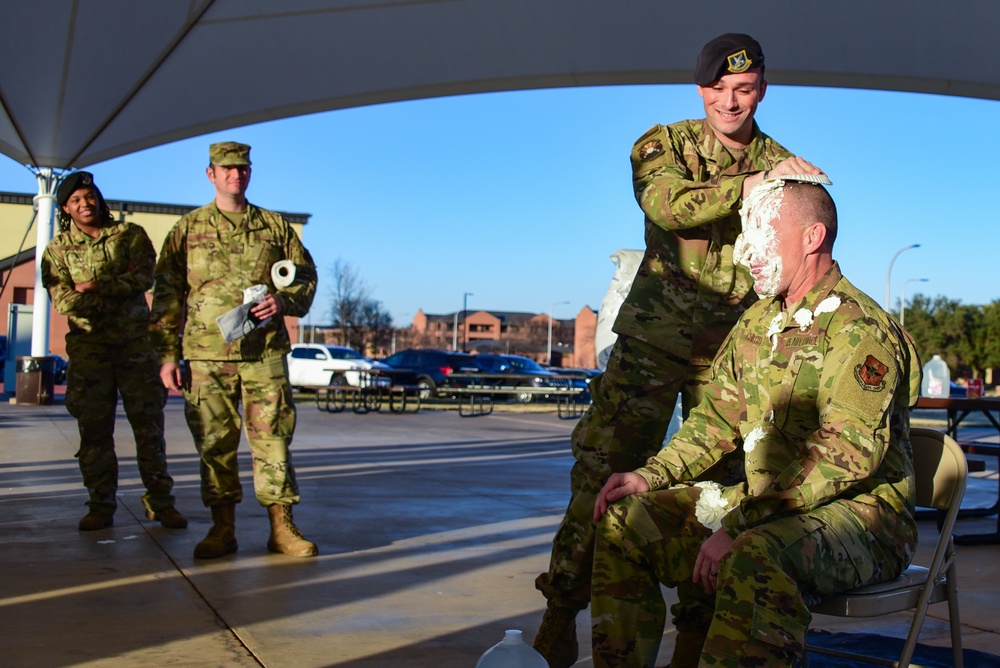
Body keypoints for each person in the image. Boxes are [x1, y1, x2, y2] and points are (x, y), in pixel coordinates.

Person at [533, 33, 826, 667]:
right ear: (700, 90)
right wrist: (751, 187)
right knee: (599, 483)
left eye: (744, 90)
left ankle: (694, 637)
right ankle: (559, 614)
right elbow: (665, 204)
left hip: (732, 357)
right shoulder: (663, 143)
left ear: (762, 91)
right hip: (652, 350)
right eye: (718, 89)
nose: (730, 102)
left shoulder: (783, 160)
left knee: (718, 493)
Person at [589, 179, 921, 667]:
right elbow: (715, 419)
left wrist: (742, 521)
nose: (747, 250)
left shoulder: (858, 328)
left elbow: (842, 457)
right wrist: (649, 476)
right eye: (746, 232)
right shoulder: (756, 323)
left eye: (764, 230)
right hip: (770, 507)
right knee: (625, 522)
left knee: (754, 553)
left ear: (812, 238)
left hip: (864, 519)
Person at [149, 141, 319, 559]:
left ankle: (282, 528)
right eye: (226, 169)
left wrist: (285, 301)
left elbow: (305, 276)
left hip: (264, 354)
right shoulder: (186, 230)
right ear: (211, 174)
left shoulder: (275, 227)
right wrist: (167, 354)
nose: (235, 175)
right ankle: (221, 528)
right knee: (214, 443)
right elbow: (168, 294)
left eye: (242, 168)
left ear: (250, 172)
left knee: (274, 439)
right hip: (207, 356)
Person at [41, 171, 187, 531]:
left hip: (136, 348)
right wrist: (113, 291)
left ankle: (160, 502)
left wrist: (95, 286)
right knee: (94, 432)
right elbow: (64, 301)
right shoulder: (57, 250)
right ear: (65, 209)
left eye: (89, 196)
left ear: (99, 198)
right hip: (90, 353)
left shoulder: (130, 235)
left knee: (149, 427)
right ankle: (100, 504)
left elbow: (144, 277)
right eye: (76, 200)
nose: (85, 204)